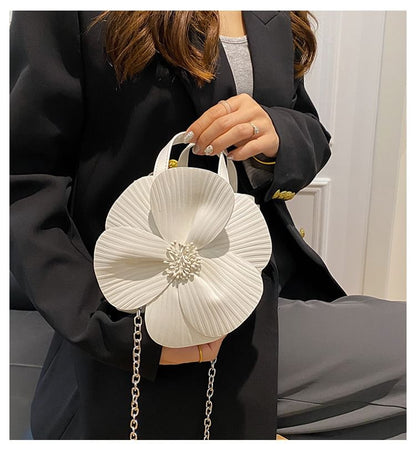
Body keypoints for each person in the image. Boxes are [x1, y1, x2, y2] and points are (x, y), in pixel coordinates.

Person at [10, 11, 405, 440]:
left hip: (259, 291)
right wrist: (117, 327)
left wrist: (277, 133)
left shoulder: (271, 13)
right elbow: (24, 181)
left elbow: (307, 125)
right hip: (140, 313)